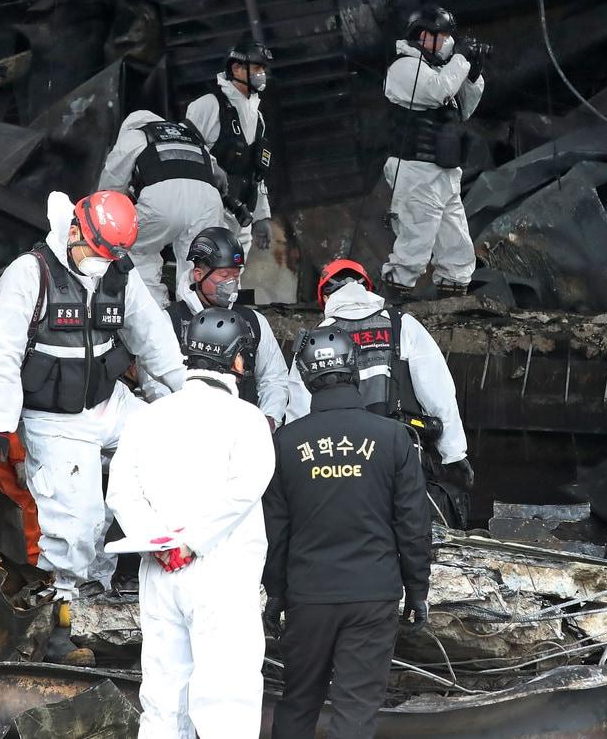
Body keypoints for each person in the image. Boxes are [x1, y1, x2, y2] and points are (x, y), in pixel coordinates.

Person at [0, 190, 188, 605]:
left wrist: (190, 391)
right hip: (55, 419)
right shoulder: (30, 273)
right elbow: (1, 351)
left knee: (169, 445)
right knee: (76, 523)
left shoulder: (117, 273)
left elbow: (153, 335)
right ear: (74, 230)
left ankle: (112, 582)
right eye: (96, 250)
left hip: (111, 404)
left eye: (110, 255)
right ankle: (62, 607)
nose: (101, 261)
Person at [106, 308, 276, 739]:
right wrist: (191, 543)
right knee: (226, 700)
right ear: (240, 361)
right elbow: (244, 489)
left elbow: (121, 494)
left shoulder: (148, 416)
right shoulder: (248, 419)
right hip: (220, 569)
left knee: (163, 698)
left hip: (160, 571)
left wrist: (159, 543)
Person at [264, 327, 430, 739]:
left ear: (304, 378)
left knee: (299, 701)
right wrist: (417, 589)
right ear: (354, 369)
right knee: (355, 712)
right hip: (373, 595)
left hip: (309, 595)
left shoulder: (285, 442)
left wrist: (277, 593)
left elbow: (274, 530)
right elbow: (413, 523)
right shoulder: (393, 437)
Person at [284, 259, 474, 527]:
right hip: (401, 458)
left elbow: (298, 417)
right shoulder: (403, 325)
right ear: (368, 289)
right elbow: (439, 394)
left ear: (325, 298)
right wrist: (454, 454)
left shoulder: (315, 341)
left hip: (338, 464)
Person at [382, 4, 487, 301]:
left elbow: (464, 108)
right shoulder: (404, 67)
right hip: (416, 168)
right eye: (439, 37)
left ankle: (453, 297)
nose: (445, 44)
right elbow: (439, 90)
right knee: (416, 239)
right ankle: (395, 302)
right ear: (422, 36)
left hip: (444, 170)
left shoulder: (439, 70)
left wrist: (472, 74)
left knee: (456, 242)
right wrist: (461, 60)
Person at [142, 226, 289, 429]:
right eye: (223, 275)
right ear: (198, 274)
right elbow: (153, 382)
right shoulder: (168, 322)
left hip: (243, 435)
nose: (231, 283)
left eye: (236, 276)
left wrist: (268, 420)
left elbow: (274, 378)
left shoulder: (254, 322)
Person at [98, 108, 227, 305]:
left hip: (161, 205)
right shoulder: (189, 135)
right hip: (208, 204)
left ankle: (154, 311)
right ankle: (203, 321)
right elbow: (219, 176)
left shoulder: (136, 136)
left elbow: (111, 185)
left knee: (137, 250)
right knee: (200, 265)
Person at [185, 34, 275, 261]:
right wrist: (212, 166)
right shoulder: (208, 105)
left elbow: (257, 173)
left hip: (241, 213)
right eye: (256, 67)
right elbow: (185, 149)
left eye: (262, 68)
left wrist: (262, 216)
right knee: (203, 272)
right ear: (236, 69)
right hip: (207, 212)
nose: (261, 74)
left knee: (232, 276)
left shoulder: (259, 118)